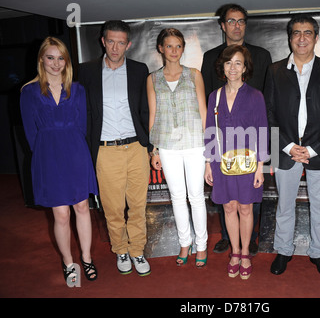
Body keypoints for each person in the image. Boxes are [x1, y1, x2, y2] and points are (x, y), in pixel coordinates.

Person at [265, 15, 320, 278]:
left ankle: (319, 252)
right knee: (283, 205)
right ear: (290, 38)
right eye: (296, 33)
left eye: (307, 33)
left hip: (319, 151)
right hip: (284, 150)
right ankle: (283, 250)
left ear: (316, 37)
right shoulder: (275, 70)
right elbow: (269, 114)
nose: (301, 38)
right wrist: (287, 146)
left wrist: (312, 149)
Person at [20, 37, 98, 285]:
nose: (56, 63)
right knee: (61, 215)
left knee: (82, 208)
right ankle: (68, 262)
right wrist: (44, 157)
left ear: (67, 61)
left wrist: (75, 150)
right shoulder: (29, 91)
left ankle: (86, 258)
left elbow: (83, 126)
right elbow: (30, 134)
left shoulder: (77, 89)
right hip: (48, 156)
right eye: (50, 57)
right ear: (41, 59)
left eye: (60, 58)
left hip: (75, 153)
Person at [78, 20, 152, 277]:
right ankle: (121, 249)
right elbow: (83, 113)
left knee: (138, 205)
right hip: (105, 150)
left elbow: (145, 109)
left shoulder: (139, 70)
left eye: (121, 42)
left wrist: (149, 146)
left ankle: (137, 250)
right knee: (112, 207)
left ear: (128, 44)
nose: (115, 47)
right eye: (111, 41)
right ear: (103, 41)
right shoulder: (85, 72)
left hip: (135, 148)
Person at [201, 3, 272, 255]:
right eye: (229, 63)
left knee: (245, 208)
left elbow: (262, 129)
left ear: (245, 68)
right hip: (221, 161)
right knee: (229, 207)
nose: (233, 68)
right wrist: (208, 163)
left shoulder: (255, 96)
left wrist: (261, 167)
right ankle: (235, 251)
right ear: (223, 67)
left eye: (238, 63)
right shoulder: (214, 96)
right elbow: (210, 129)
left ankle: (245, 253)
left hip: (249, 160)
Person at [147, 28, 208, 268]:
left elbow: (203, 112)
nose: (174, 51)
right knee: (177, 198)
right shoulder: (152, 79)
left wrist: (210, 149)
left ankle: (201, 245)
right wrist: (154, 150)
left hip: (195, 144)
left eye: (178, 46)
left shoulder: (194, 75)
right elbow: (153, 115)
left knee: (196, 197)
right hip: (167, 147)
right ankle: (185, 243)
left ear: (183, 49)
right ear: (161, 48)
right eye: (169, 46)